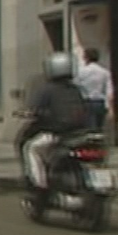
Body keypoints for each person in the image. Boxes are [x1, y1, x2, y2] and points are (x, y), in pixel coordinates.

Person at [21, 52, 90, 208]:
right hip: (78, 135)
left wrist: (31, 114)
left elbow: (36, 109)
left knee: (31, 149)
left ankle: (40, 185)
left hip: (56, 134)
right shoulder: (76, 90)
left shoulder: (47, 90)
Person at [74, 47, 113, 133]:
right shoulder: (104, 72)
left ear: (85, 57)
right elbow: (109, 91)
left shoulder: (81, 72)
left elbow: (75, 86)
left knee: (87, 129)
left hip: (86, 102)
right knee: (99, 129)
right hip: (100, 102)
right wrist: (110, 107)